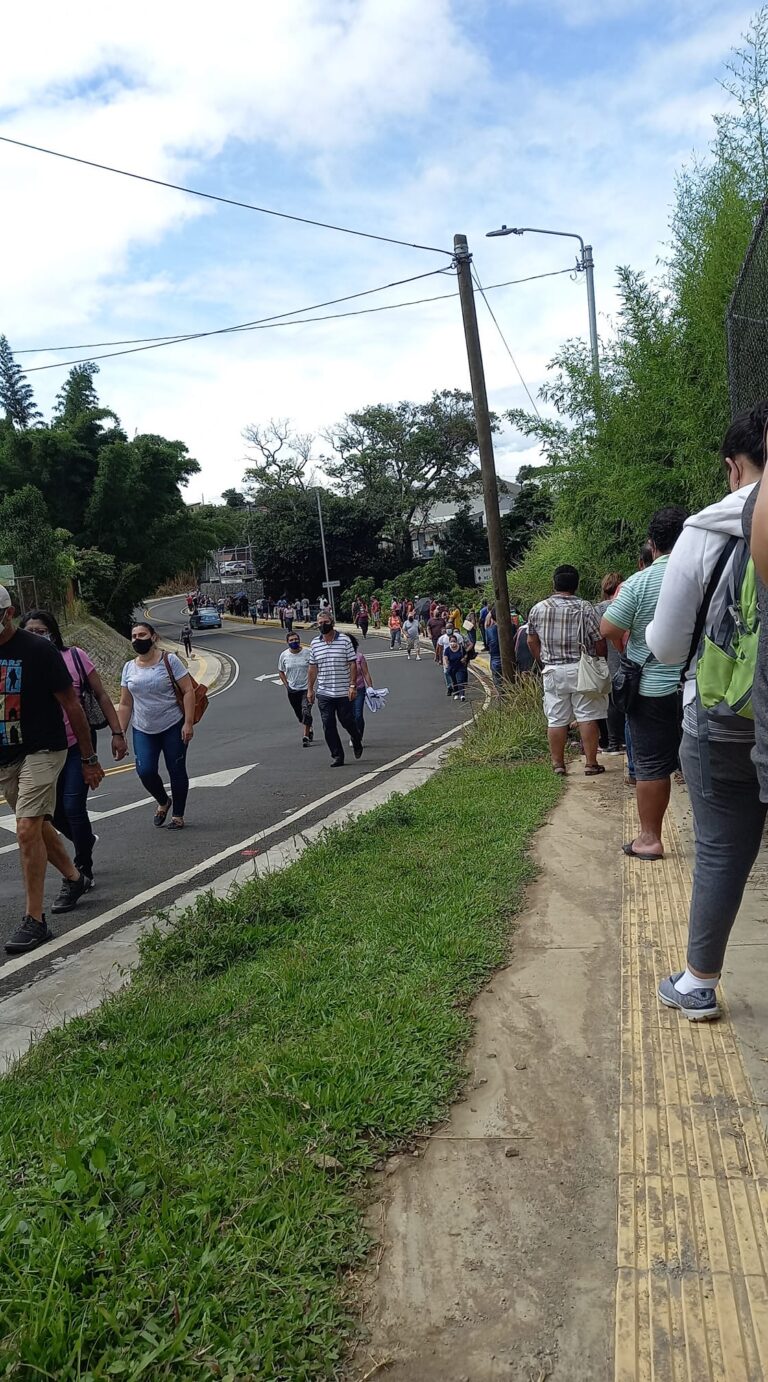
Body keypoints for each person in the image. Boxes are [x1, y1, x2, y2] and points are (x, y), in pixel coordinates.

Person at [642, 408, 765, 1019]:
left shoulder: (706, 529)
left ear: (734, 467)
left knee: (720, 848)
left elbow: (666, 647)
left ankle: (697, 983)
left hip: (720, 720)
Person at [0, 587, 106, 955]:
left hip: (44, 748)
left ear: (8, 612)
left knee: (26, 827)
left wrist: (89, 758)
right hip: (6, 756)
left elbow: (72, 705)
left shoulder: (38, 650)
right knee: (39, 825)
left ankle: (35, 920)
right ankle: (75, 878)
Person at [19, 609, 127, 898]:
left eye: (41, 631)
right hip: (43, 750)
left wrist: (117, 733)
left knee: (73, 806)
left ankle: (83, 869)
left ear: (53, 633)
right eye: (29, 631)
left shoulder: (74, 657)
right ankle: (85, 840)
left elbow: (101, 695)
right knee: (52, 813)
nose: (35, 636)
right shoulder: (21, 663)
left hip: (77, 744)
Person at [600, 507, 687, 857]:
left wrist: (630, 644)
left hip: (651, 688)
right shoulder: (709, 575)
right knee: (706, 761)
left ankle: (650, 839)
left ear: (652, 544)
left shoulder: (638, 583)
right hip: (703, 685)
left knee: (651, 764)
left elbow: (608, 627)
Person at [527, 565, 608, 776]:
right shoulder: (585, 607)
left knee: (556, 718)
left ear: (554, 583)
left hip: (553, 670)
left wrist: (543, 661)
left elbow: (531, 640)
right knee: (587, 716)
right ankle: (591, 763)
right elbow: (599, 640)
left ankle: (558, 764)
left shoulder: (538, 608)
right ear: (576, 585)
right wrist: (600, 661)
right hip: (582, 668)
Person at [118, 621, 196, 830]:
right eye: (134, 636)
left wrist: (188, 723)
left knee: (176, 769)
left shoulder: (169, 660)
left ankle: (178, 816)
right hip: (143, 728)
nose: (137, 639)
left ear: (153, 637)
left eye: (142, 635)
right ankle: (163, 801)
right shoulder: (129, 667)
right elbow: (125, 704)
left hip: (173, 724)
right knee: (145, 771)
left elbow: (188, 691)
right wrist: (120, 733)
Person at [306, 611, 362, 767]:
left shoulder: (344, 640)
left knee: (347, 721)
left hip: (343, 691)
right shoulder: (315, 643)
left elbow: (352, 664)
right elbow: (312, 668)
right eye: (320, 623)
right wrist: (310, 689)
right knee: (328, 724)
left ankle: (356, 738)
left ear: (332, 622)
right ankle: (337, 755)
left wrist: (352, 685)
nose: (323, 625)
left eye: (325, 622)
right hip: (324, 692)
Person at [594, 573, 625, 754]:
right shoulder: (625, 602)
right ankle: (626, 739)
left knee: (610, 703)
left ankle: (613, 742)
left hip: (608, 661)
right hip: (628, 658)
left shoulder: (598, 609)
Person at [277, 629, 314, 748]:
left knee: (306, 711)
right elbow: (281, 671)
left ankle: (305, 736)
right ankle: (309, 727)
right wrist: (286, 684)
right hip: (292, 689)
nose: (294, 641)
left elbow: (314, 668)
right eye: (291, 640)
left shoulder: (308, 652)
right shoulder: (284, 655)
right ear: (287, 642)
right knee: (300, 714)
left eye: (296, 639)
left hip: (306, 688)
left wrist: (311, 686)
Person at [349, 633, 373, 743]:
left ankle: (358, 736)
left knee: (358, 715)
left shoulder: (359, 657)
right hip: (344, 690)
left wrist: (370, 687)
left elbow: (366, 673)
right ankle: (353, 734)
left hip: (359, 688)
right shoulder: (339, 658)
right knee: (350, 716)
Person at [443, 634, 468, 702]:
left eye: (454, 641)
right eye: (451, 641)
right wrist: (446, 665)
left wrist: (464, 658)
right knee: (454, 681)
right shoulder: (447, 650)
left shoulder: (461, 648)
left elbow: (466, 654)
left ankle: (462, 695)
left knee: (460, 680)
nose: (453, 643)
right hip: (452, 668)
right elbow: (445, 658)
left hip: (460, 667)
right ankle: (456, 693)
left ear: (456, 641)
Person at [485, 607, 504, 690]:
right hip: (511, 659)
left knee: (498, 685)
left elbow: (487, 645)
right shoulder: (513, 627)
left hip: (495, 659)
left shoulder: (489, 631)